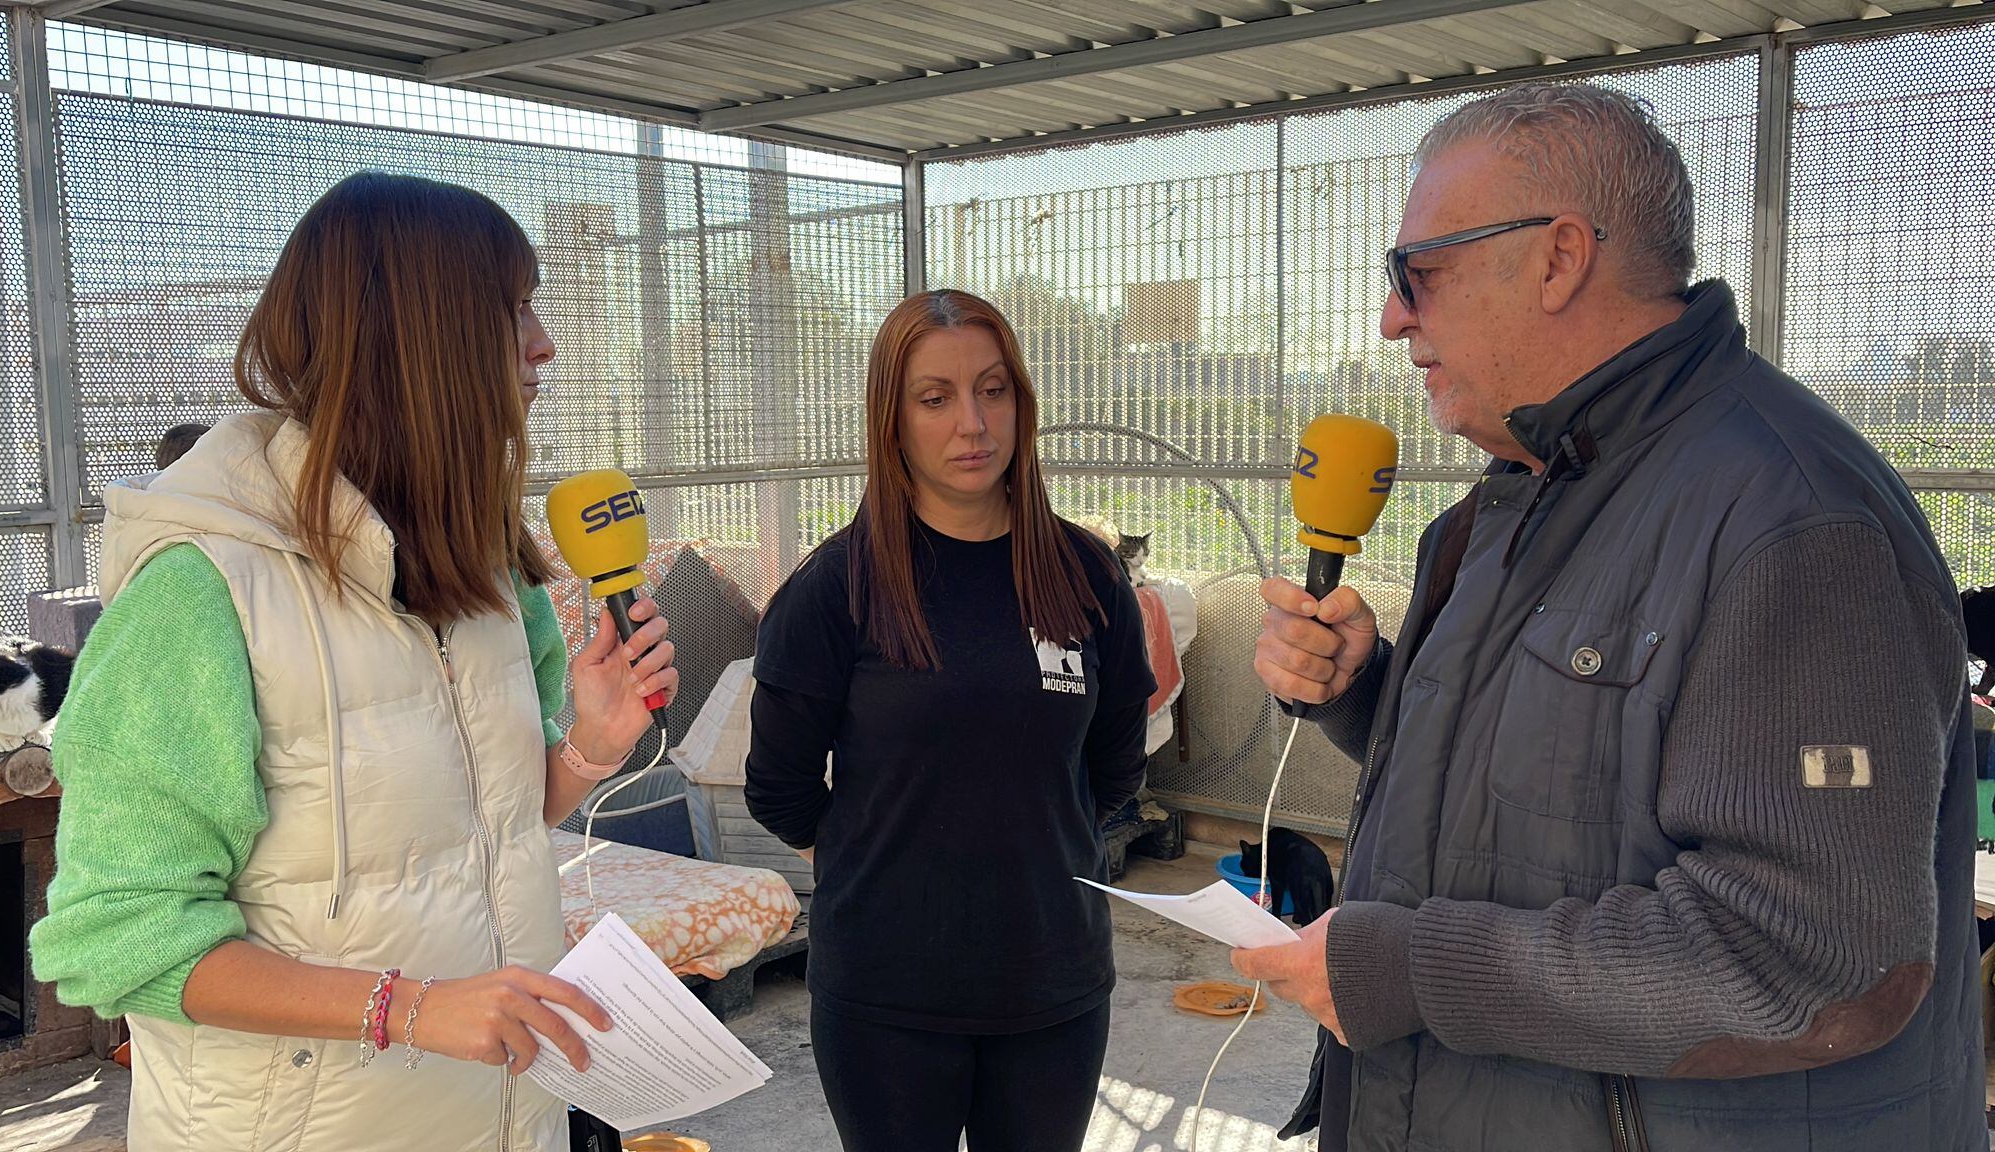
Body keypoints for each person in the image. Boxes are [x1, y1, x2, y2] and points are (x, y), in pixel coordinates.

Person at [1240, 84, 1981, 1151]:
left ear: (1557, 257)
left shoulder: (1792, 520)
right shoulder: (1517, 493)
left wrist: (1404, 969)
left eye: (1417, 272)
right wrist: (1369, 691)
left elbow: (1806, 958)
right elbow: (1569, 789)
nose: (1392, 316)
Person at [29, 171, 679, 1152]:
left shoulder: (494, 566)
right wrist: (412, 1009)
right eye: (510, 311)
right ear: (414, 338)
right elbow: (116, 942)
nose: (544, 342)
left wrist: (589, 746)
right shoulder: (201, 587)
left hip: (506, 1115)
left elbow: (485, 827)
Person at [743, 289, 1154, 1151]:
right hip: (886, 999)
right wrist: (876, 856)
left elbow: (1117, 761)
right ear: (891, 419)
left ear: (1021, 403)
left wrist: (1047, 851)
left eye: (993, 389)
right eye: (936, 398)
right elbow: (778, 787)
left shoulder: (1086, 574)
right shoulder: (837, 587)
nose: (973, 422)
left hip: (1052, 986)